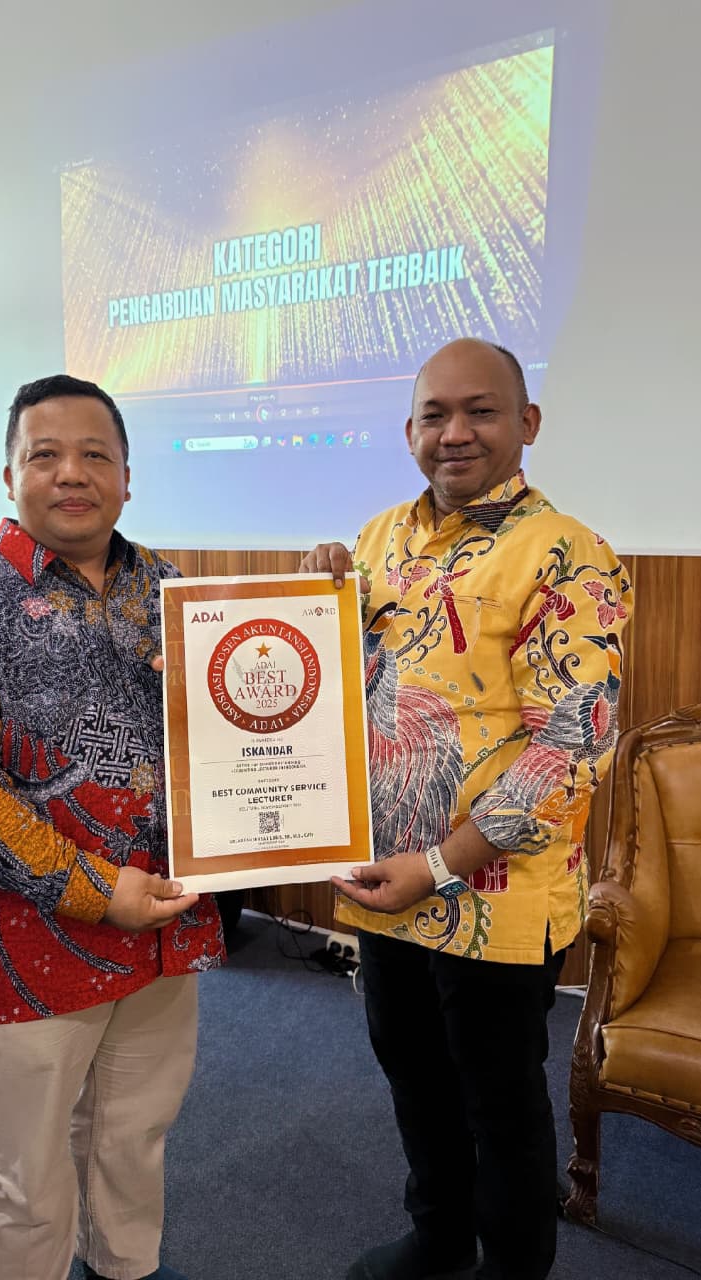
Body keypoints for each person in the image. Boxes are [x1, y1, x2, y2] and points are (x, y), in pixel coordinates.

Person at [300, 339, 632, 1280]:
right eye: (434, 415)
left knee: (500, 1103)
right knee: (412, 1077)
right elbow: (344, 688)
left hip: (493, 895)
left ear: (526, 423)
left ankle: (511, 1266)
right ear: (407, 431)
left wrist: (441, 863)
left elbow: (571, 744)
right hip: (384, 882)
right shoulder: (375, 542)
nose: (455, 433)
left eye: (480, 411)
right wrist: (311, 599)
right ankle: (440, 1235)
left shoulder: (568, 553)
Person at [0, 374, 223, 1280]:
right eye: (45, 455)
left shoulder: (170, 591)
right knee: (24, 1168)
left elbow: (231, 731)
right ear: (10, 476)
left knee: (133, 1130)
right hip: (26, 935)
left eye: (94, 455)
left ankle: (123, 1265)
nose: (71, 474)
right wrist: (93, 888)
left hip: (164, 917)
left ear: (127, 478)